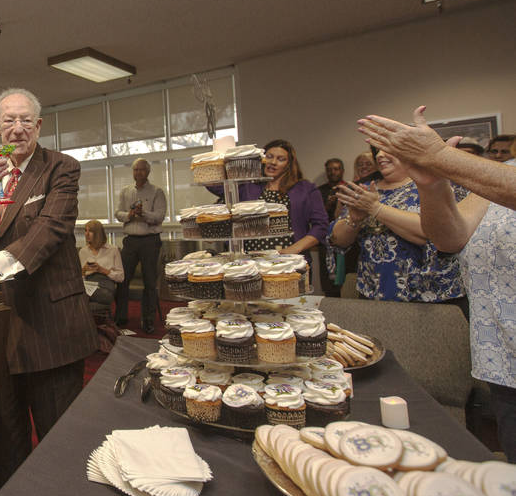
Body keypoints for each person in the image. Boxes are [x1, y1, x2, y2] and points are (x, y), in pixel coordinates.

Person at [0, 87, 98, 491]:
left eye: (25, 120)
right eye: (8, 120)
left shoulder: (61, 168)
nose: (17, 129)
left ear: (38, 126)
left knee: (59, 442)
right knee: (5, 443)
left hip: (51, 328)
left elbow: (49, 231)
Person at [358, 106, 516, 460]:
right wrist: (431, 181)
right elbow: (451, 237)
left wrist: (442, 157)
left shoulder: (496, 176)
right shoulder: (501, 174)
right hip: (504, 359)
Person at [327, 148, 466, 313]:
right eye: (377, 151)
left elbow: (435, 234)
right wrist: (355, 220)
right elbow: (338, 240)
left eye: (387, 149)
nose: (379, 155)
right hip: (375, 295)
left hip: (430, 300)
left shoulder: (436, 184)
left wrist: (375, 208)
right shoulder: (366, 189)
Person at [220, 139, 329, 259]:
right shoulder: (248, 186)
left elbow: (321, 226)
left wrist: (295, 248)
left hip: (290, 261)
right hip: (251, 262)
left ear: (289, 164)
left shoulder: (306, 189)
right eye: (269, 157)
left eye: (280, 159)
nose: (273, 162)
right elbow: (215, 186)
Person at [113, 158, 166, 333]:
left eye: (142, 170)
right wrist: (129, 214)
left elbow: (159, 216)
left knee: (150, 281)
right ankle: (121, 317)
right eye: (136, 170)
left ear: (148, 172)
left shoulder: (157, 191)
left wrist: (143, 213)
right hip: (130, 241)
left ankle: (148, 320)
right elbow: (117, 213)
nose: (138, 173)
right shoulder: (125, 191)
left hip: (150, 241)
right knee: (122, 279)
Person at [78, 220, 123, 321]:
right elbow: (79, 277)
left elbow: (121, 277)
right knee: (83, 295)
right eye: (85, 231)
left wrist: (102, 270)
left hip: (105, 284)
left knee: (81, 299)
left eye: (90, 231)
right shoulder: (83, 251)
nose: (86, 234)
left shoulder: (113, 250)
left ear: (98, 233)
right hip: (88, 283)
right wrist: (84, 270)